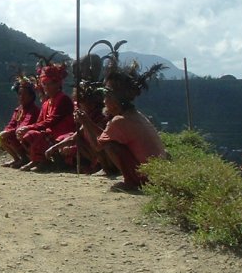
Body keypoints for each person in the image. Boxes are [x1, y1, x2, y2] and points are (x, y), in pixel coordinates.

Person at [75, 62, 169, 191]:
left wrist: (85, 122)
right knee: (109, 141)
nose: (104, 101)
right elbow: (105, 134)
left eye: (106, 97)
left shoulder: (120, 121)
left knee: (110, 146)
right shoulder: (136, 115)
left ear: (114, 101)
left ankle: (132, 181)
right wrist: (88, 122)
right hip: (157, 174)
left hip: (147, 177)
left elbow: (98, 146)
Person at [20, 62, 75, 172]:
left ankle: (46, 162)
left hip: (63, 133)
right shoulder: (47, 102)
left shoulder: (63, 99)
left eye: (50, 84)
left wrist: (30, 127)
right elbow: (41, 121)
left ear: (58, 84)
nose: (46, 87)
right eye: (45, 84)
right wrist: (29, 128)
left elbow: (52, 120)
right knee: (28, 134)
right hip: (50, 133)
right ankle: (39, 160)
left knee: (32, 133)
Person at [0, 78, 41, 168]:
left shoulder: (33, 110)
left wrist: (10, 132)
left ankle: (25, 158)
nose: (21, 97)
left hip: (25, 135)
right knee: (4, 136)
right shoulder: (19, 109)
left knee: (13, 135)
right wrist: (6, 130)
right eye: (20, 94)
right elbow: (12, 123)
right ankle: (17, 159)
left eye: (24, 94)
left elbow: (25, 124)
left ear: (31, 96)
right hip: (17, 132)